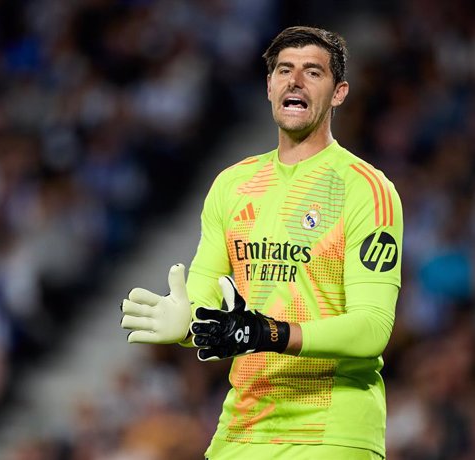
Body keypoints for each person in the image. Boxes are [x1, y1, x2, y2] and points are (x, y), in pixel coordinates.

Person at [120, 26, 403, 460]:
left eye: (313, 72)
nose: (295, 81)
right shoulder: (232, 185)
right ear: (268, 86)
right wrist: (187, 324)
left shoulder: (367, 189)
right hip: (243, 428)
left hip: (331, 430)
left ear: (339, 92)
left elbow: (372, 330)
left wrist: (269, 332)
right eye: (284, 70)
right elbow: (208, 300)